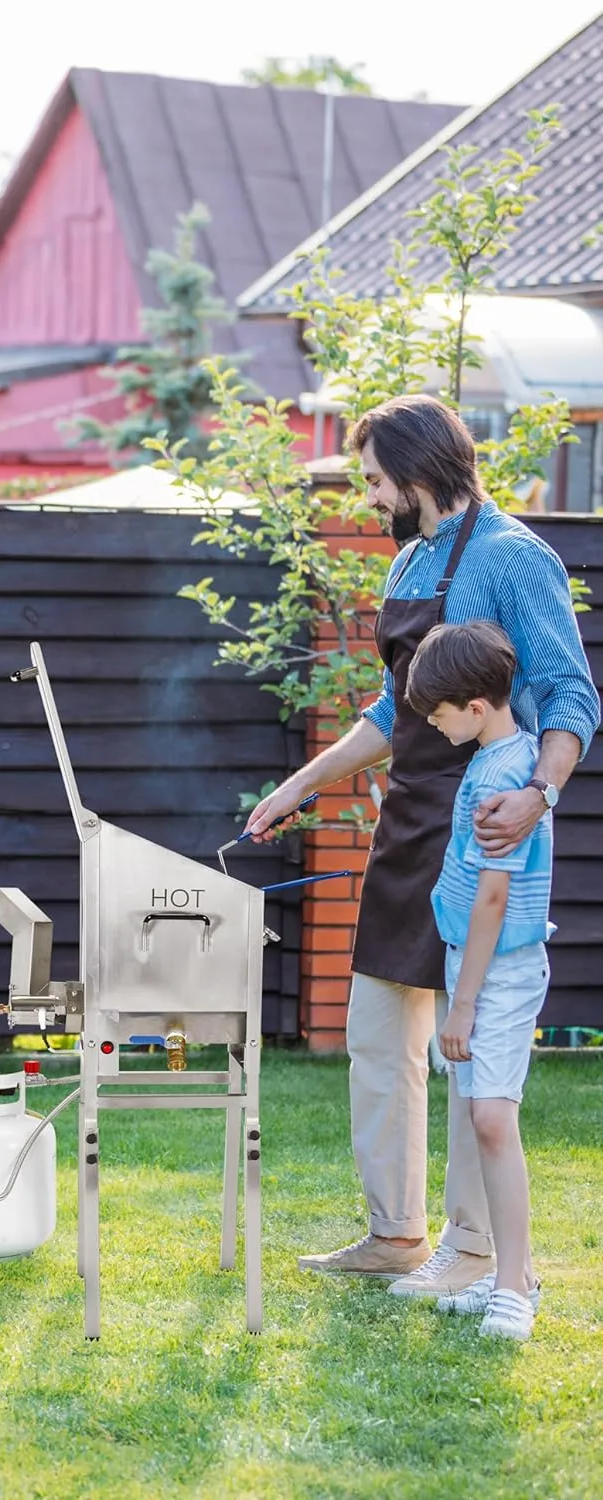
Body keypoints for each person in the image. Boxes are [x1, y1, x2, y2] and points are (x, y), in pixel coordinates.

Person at [247, 395, 597, 1299]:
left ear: (415, 472)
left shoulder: (514, 556)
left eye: (373, 481)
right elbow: (393, 713)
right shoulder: (408, 559)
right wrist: (297, 788)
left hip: (487, 820)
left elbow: (570, 695)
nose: (368, 498)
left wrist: (537, 795)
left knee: (464, 1040)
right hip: (409, 822)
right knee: (376, 1032)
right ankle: (394, 1232)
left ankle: (474, 1249)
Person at [405, 620, 550, 1339]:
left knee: (492, 1120)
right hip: (477, 961)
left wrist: (460, 1006)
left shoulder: (501, 771)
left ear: (476, 706)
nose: (433, 726)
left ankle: (515, 1292)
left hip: (498, 971)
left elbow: (494, 896)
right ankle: (511, 1274)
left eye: (437, 714)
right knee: (481, 1117)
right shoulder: (500, 756)